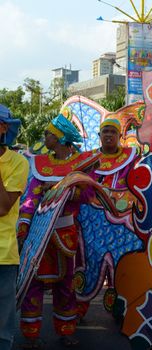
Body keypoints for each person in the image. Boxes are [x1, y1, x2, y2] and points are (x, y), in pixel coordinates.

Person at [18, 114, 93, 348]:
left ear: (59, 137)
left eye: (49, 133)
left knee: (66, 285)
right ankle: (30, 335)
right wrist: (23, 226)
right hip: (40, 234)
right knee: (33, 284)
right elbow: (31, 198)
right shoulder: (41, 164)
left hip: (67, 234)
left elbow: (88, 194)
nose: (45, 137)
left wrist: (65, 191)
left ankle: (66, 330)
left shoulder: (80, 163)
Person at [76, 118, 139, 319]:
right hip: (91, 220)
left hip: (122, 220)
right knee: (87, 263)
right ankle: (77, 311)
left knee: (121, 266)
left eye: (113, 131)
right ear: (99, 135)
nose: (109, 135)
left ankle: (122, 311)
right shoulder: (88, 159)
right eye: (105, 132)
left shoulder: (131, 158)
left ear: (120, 136)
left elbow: (138, 183)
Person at [0, 104, 29, 350]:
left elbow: (2, 207)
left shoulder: (18, 163)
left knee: (2, 330)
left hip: (3, 256)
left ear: (3, 128)